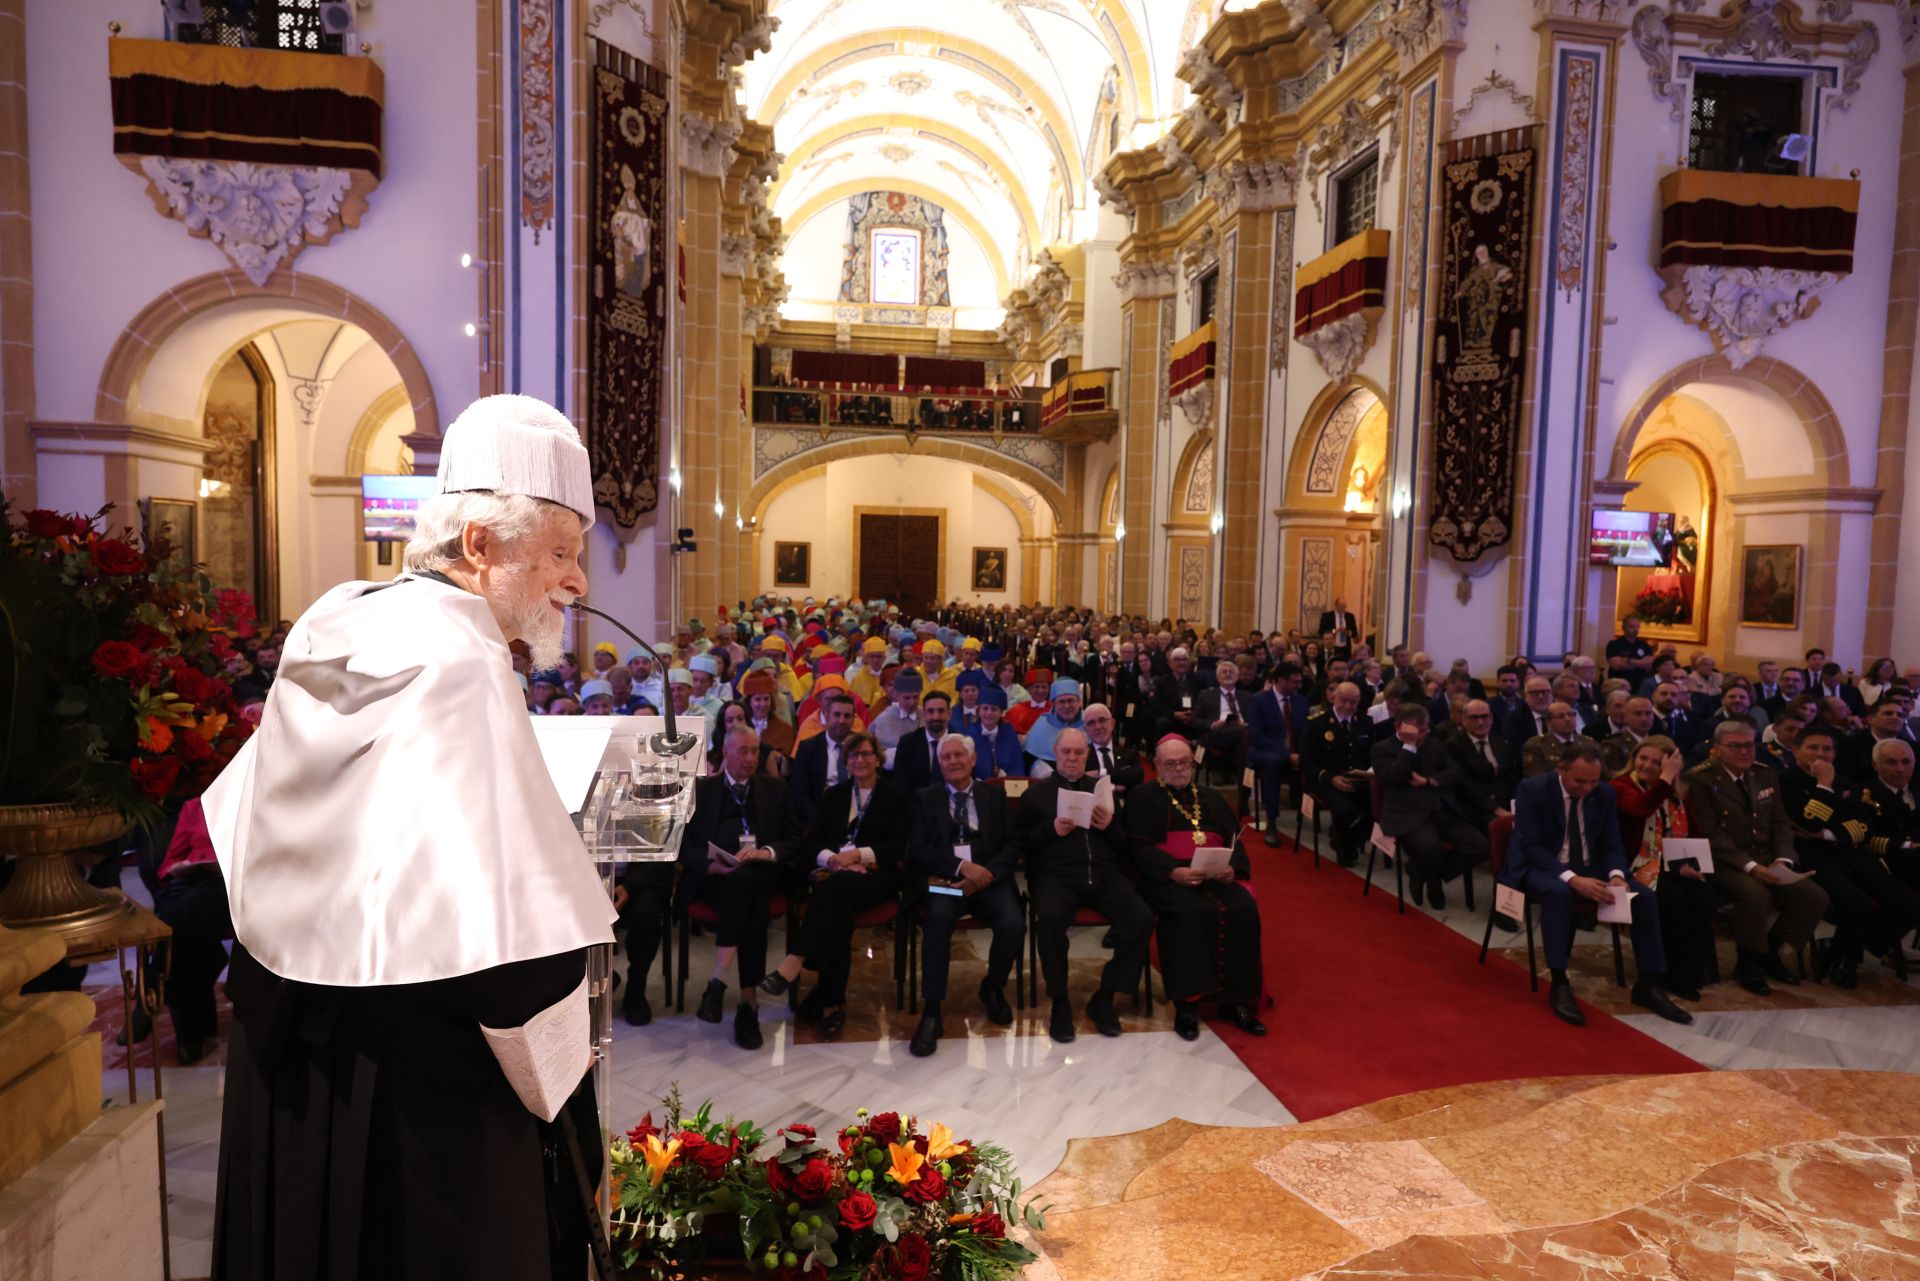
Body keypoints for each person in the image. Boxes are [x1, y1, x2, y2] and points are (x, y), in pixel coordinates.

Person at [201, 393, 615, 1281]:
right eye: (561, 553)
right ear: (480, 547)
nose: (578, 581)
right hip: (418, 1101)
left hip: (294, 1050)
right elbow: (514, 959)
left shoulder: (343, 614)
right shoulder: (459, 661)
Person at [1507, 741, 1693, 1027]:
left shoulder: (1603, 791)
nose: (1587, 789)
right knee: (1559, 893)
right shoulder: (1533, 789)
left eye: (1593, 782)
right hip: (1542, 864)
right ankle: (1559, 981)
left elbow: (1610, 842)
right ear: (1561, 770)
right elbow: (1531, 846)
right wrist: (1573, 879)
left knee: (1642, 897)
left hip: (1589, 864)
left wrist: (1617, 874)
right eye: (1580, 782)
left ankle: (1649, 983)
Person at [759, 732, 905, 1038]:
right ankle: (830, 1003)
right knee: (838, 911)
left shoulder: (895, 797)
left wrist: (859, 855)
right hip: (837, 879)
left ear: (878, 759)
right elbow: (811, 844)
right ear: (846, 762)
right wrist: (834, 860)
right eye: (853, 756)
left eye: (866, 754)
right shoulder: (835, 796)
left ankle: (795, 960)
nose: (860, 760)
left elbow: (898, 846)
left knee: (833, 893)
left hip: (877, 877)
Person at [1125, 736, 1265, 1040]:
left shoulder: (1211, 796)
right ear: (1158, 765)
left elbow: (1235, 840)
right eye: (1171, 763)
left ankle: (1237, 1002)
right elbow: (1137, 848)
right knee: (1187, 912)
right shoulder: (1142, 796)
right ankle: (1187, 1005)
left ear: (1193, 762)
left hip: (1214, 876)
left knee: (1243, 909)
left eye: (1184, 762)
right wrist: (1172, 871)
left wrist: (1232, 869)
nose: (1179, 769)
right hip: (1167, 878)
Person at [1018, 728, 1153, 1042]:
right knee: (1049, 919)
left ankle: (1105, 996)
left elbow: (1125, 846)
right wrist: (1050, 830)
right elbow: (1022, 845)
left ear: (1087, 755)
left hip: (1105, 876)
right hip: (1056, 878)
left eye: (1079, 752)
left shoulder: (1103, 792)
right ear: (1055, 753)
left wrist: (1110, 828)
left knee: (1141, 918)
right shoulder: (1035, 795)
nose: (1072, 758)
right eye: (1066, 752)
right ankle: (1060, 1001)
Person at [1681, 720, 1831, 995]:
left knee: (1813, 896)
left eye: (1749, 745)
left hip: (1768, 858)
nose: (1744, 752)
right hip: (1725, 862)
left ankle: (1770, 950)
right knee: (1755, 894)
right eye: (1734, 746)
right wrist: (1751, 867)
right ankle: (1748, 961)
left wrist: (1783, 860)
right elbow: (1710, 833)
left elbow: (1781, 823)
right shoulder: (1700, 779)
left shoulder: (1765, 774)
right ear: (1716, 749)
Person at [678, 726, 799, 1050]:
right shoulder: (703, 790)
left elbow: (792, 840)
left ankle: (719, 981)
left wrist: (766, 852)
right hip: (715, 879)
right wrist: (711, 865)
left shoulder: (775, 788)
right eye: (742, 751)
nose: (750, 758)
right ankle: (749, 1004)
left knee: (748, 880)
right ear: (725, 753)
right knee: (749, 897)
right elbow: (684, 846)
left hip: (760, 874)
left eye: (755, 751)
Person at [906, 734, 1025, 1058]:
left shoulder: (994, 795)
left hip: (988, 881)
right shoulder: (923, 798)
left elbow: (1013, 844)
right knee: (938, 918)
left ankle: (993, 987)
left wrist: (983, 875)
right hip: (945, 881)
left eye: (959, 755)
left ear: (973, 760)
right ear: (939, 763)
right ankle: (933, 1011)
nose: (953, 761)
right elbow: (916, 850)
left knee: (1014, 923)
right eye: (946, 757)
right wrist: (963, 868)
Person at [1777, 724, 1920, 988]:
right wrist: (1823, 784)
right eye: (1813, 747)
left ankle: (1836, 950)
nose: (1821, 753)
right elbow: (1806, 824)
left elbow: (1863, 829)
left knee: (1909, 902)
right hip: (1809, 857)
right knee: (1857, 902)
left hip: (1847, 854)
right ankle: (1848, 962)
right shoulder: (1786, 782)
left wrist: (1826, 834)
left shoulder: (1845, 783)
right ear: (1796, 750)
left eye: (1828, 748)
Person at [1611, 737, 1717, 998]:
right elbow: (1640, 808)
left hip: (1672, 864)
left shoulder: (1678, 796)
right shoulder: (1620, 786)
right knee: (1674, 900)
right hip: (1635, 864)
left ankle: (1689, 973)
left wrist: (1695, 864)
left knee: (1703, 897)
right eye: (1643, 758)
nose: (1647, 765)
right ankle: (1665, 974)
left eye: (1657, 762)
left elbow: (1692, 832)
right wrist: (1665, 776)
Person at [1371, 706, 1485, 908]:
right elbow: (1395, 776)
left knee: (1479, 846)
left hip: (1441, 809)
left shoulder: (1436, 745)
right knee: (1430, 847)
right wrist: (1409, 747)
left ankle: (1427, 874)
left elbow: (1456, 773)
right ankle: (1432, 882)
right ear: (1399, 726)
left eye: (1425, 730)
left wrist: (1429, 781)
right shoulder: (1382, 748)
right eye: (1418, 730)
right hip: (1407, 812)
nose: (1423, 734)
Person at [149, 798, 231, 1065]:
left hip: (237, 882)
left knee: (177, 921)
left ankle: (155, 992)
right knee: (182, 920)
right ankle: (197, 1030)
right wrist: (178, 870)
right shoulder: (195, 805)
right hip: (194, 882)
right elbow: (170, 860)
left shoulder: (261, 793)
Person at [1303, 682, 1374, 866]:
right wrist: (1330, 778)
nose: (1348, 707)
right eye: (1344, 701)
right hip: (1327, 781)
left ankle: (1344, 839)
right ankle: (1344, 847)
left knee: (1379, 809)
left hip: (1358, 781)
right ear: (1333, 697)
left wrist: (1369, 773)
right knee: (1345, 810)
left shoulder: (1365, 722)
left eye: (1353, 702)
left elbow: (1371, 755)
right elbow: (1306, 762)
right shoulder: (1317, 723)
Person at [1245, 663, 1305, 845]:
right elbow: (1257, 736)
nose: (1298, 686)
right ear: (1280, 680)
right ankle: (1271, 820)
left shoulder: (1300, 701)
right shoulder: (1259, 700)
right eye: (1294, 682)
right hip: (1264, 751)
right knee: (1273, 763)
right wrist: (1287, 755)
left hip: (1295, 751)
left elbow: (1304, 732)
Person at [788, 692, 858, 828]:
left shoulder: (861, 746)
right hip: (818, 817)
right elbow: (799, 792)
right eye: (837, 714)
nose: (842, 720)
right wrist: (820, 820)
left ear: (853, 719)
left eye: (847, 716)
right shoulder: (808, 748)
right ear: (826, 716)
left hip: (855, 814)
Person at [891, 689, 952, 793]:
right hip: (917, 805)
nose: (935, 716)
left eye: (941, 711)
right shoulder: (907, 743)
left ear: (949, 713)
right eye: (930, 711)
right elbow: (901, 787)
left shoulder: (961, 742)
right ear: (923, 713)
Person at [1023, 678, 1085, 770]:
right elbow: (1030, 758)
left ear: (1079, 702)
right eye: (1061, 702)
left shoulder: (1090, 722)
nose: (1066, 706)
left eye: (1070, 700)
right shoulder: (1041, 724)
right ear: (1054, 704)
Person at [968, 684, 1026, 778]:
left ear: (1001, 713)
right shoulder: (970, 735)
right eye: (985, 708)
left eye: (994, 709)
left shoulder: (1009, 733)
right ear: (978, 711)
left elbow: (1017, 765)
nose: (989, 713)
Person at [1521, 701, 1586, 777]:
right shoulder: (1536, 746)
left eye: (1571, 715)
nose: (1568, 719)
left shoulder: (1587, 743)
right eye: (1560, 716)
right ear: (1549, 722)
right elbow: (1536, 780)